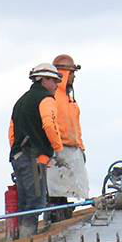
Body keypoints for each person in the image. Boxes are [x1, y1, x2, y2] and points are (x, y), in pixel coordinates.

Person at [7, 63, 65, 234]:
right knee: (35, 201)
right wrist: (57, 148)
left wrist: (17, 152)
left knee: (24, 201)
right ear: (43, 80)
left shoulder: (21, 101)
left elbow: (11, 132)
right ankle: (27, 240)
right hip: (33, 157)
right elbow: (49, 124)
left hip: (18, 156)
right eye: (54, 81)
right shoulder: (46, 99)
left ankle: (18, 237)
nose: (56, 86)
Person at [47, 53, 90, 208]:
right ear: (64, 74)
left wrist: (81, 147)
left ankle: (63, 214)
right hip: (56, 152)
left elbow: (76, 126)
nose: (73, 77)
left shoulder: (69, 99)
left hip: (72, 151)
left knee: (69, 192)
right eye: (72, 73)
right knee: (55, 194)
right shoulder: (52, 97)